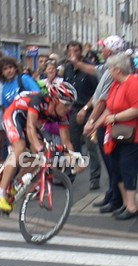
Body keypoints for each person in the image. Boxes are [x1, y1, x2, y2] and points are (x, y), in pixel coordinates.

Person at [0, 82, 76, 212]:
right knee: (20, 146)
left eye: (70, 105)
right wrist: (38, 148)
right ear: (54, 100)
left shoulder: (63, 115)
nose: (68, 109)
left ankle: (16, 183)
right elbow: (30, 127)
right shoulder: (38, 101)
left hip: (29, 122)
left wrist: (75, 158)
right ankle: (0, 195)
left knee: (41, 156)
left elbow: (66, 141)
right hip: (15, 115)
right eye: (66, 105)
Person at [69, 35, 125, 213]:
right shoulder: (108, 66)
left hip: (107, 120)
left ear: (111, 50)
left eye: (104, 47)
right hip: (104, 119)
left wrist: (91, 121)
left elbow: (102, 100)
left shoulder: (114, 69)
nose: (101, 50)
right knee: (110, 160)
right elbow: (93, 70)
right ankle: (112, 193)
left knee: (112, 160)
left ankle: (117, 198)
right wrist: (76, 61)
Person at [92, 53, 138, 220]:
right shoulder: (116, 85)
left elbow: (136, 108)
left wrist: (116, 117)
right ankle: (126, 203)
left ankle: (132, 206)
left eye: (110, 68)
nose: (109, 71)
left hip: (131, 135)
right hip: (115, 133)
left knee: (127, 168)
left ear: (117, 70)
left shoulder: (133, 82)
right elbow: (109, 107)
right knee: (116, 167)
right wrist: (95, 124)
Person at [64, 40, 101, 189]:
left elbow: (98, 92)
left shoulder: (88, 67)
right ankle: (70, 176)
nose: (73, 54)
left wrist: (85, 109)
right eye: (70, 51)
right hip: (73, 109)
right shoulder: (67, 68)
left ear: (81, 52)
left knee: (92, 146)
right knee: (73, 145)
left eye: (76, 51)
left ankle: (95, 178)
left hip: (89, 109)